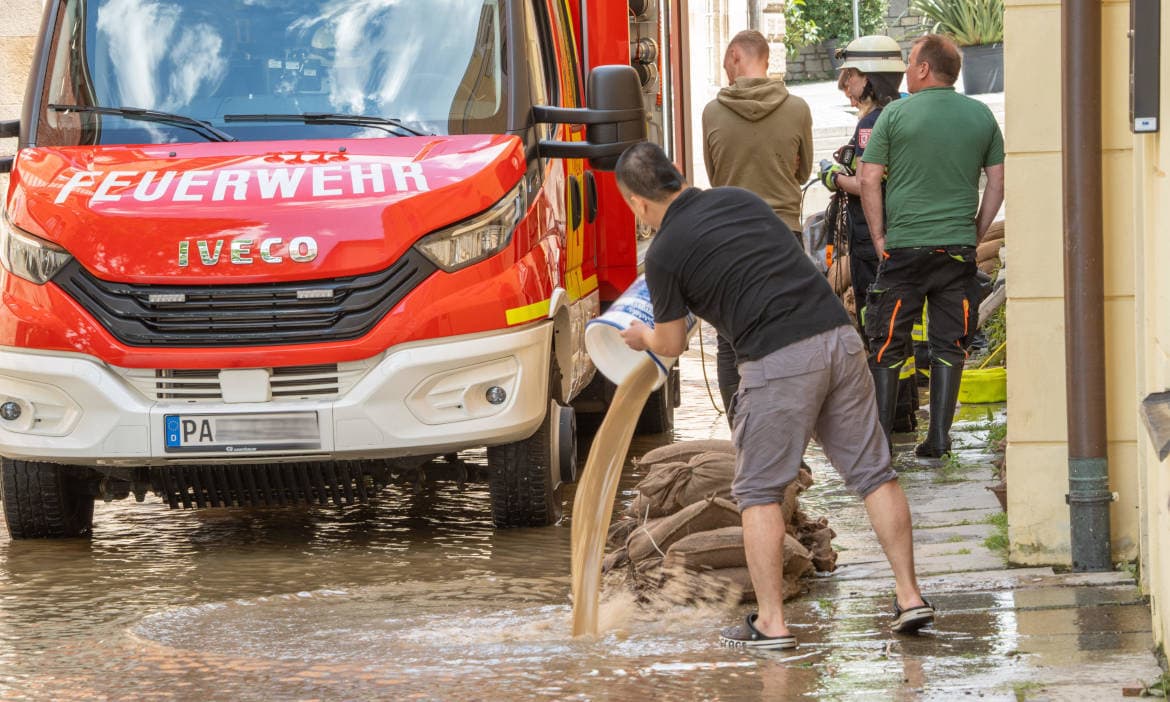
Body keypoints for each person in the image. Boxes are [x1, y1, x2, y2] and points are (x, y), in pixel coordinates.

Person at [614, 142, 933, 649]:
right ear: (677, 176)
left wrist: (641, 337)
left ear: (638, 203)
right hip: (838, 337)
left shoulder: (664, 253)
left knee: (759, 493)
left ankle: (771, 623)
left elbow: (670, 343)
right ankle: (911, 596)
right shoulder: (740, 200)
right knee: (875, 475)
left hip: (778, 359)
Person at [859, 34, 1005, 458]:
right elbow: (997, 182)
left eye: (910, 63)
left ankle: (882, 441)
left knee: (887, 340)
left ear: (924, 69)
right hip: (956, 248)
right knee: (950, 341)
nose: (906, 70)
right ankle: (939, 438)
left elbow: (869, 179)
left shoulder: (895, 114)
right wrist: (976, 232)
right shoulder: (980, 115)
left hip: (904, 247)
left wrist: (880, 236)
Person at [701, 29, 813, 418]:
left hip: (730, 238)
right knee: (785, 338)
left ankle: (741, 434)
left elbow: (716, 177)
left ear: (734, 55)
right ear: (765, 60)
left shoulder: (712, 112)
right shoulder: (797, 108)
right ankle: (783, 429)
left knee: (731, 339)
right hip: (784, 235)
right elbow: (804, 171)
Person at [818, 35, 919, 438]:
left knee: (876, 323)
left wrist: (834, 177)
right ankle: (906, 408)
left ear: (872, 77)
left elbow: (867, 183)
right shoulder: (905, 111)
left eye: (851, 75)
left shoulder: (871, 123)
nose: (844, 84)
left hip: (869, 239)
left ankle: (887, 420)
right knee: (901, 324)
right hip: (903, 231)